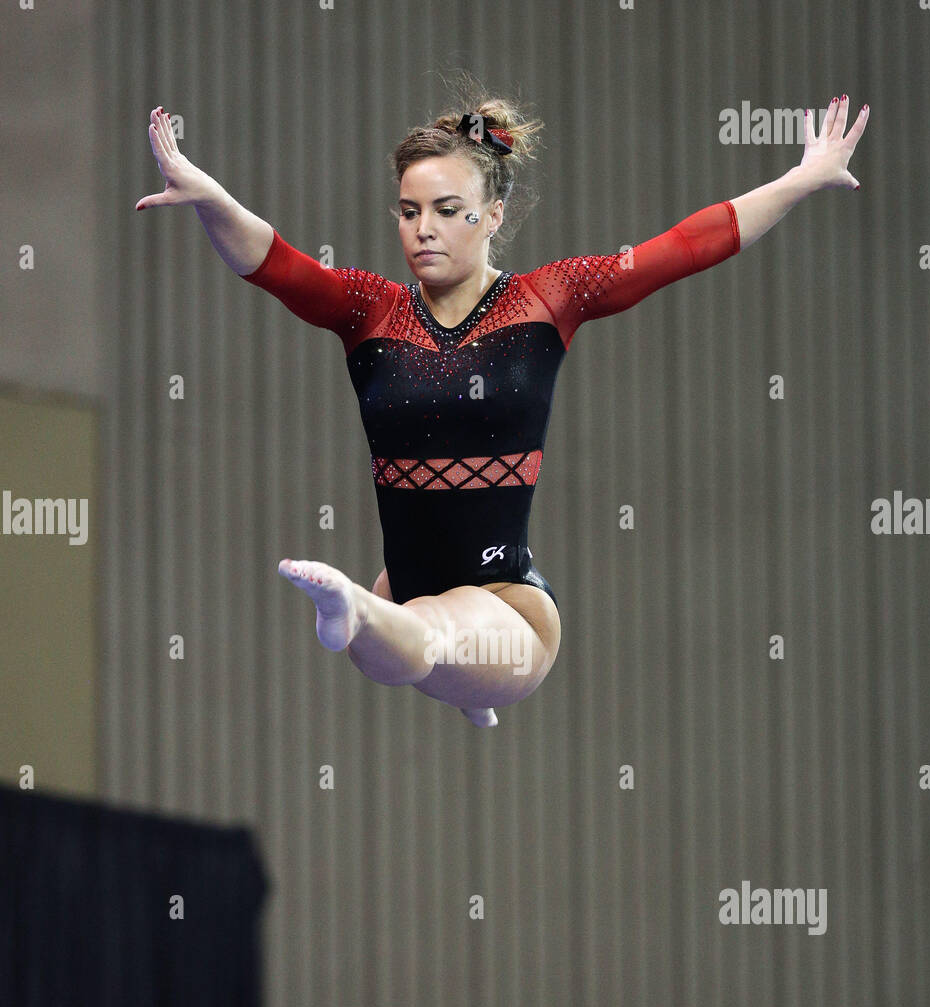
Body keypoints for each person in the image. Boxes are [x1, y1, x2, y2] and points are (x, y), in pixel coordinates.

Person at [137, 85, 868, 728]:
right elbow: (274, 262)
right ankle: (390, 633)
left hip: (507, 610)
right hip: (409, 591)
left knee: (414, 638)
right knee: (389, 652)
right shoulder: (369, 310)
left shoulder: (547, 300)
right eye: (409, 210)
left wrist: (801, 180)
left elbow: (686, 244)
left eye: (448, 211)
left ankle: (363, 614)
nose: (423, 229)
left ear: (493, 213)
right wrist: (211, 198)